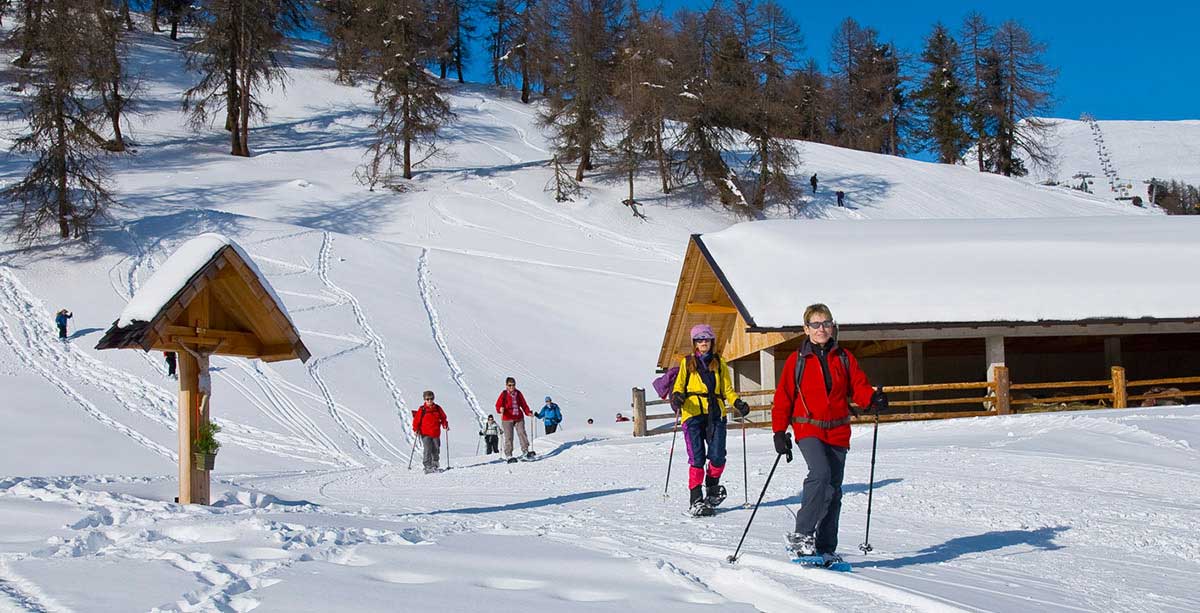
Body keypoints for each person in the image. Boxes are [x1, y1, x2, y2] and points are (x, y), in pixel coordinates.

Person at [772, 303, 887, 565]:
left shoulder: (844, 357)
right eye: (815, 324)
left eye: (826, 323)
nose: (821, 329)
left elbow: (858, 387)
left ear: (832, 326)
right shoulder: (796, 360)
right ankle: (802, 536)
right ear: (806, 329)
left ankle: (825, 547)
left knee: (834, 489)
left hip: (837, 430)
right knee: (820, 474)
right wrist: (779, 431)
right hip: (808, 427)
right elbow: (783, 398)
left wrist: (873, 399)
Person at [670, 324, 750, 517]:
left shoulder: (719, 363)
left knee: (717, 456)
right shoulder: (686, 362)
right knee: (697, 458)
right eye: (699, 339)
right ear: (694, 343)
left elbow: (727, 390)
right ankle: (695, 499)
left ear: (712, 341)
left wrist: (737, 402)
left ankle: (712, 490)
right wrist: (677, 397)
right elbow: (678, 386)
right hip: (692, 413)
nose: (703, 342)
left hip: (716, 413)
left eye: (706, 338)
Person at [494, 377, 534, 462]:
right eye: (510, 385)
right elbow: (498, 405)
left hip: (518, 417)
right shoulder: (504, 394)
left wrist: (528, 412)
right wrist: (500, 409)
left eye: (513, 385)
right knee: (509, 436)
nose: (512, 387)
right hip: (507, 418)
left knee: (522, 433)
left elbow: (523, 404)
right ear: (506, 386)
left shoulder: (518, 393)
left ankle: (525, 451)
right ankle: (509, 454)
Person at [412, 390, 449, 474]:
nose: (429, 401)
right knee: (427, 449)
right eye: (427, 399)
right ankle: (427, 466)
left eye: (431, 399)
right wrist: (416, 429)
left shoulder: (438, 408)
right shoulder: (422, 409)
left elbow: (443, 418)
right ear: (424, 400)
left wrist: (445, 425)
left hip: (435, 433)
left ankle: (435, 464)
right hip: (425, 433)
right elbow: (416, 421)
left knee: (436, 449)